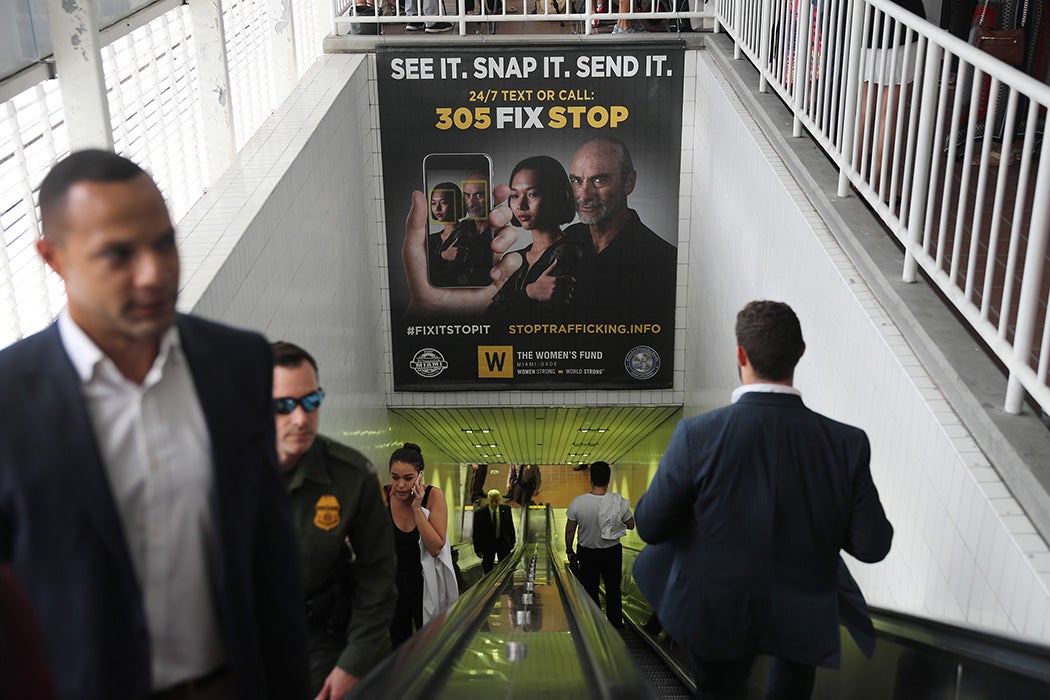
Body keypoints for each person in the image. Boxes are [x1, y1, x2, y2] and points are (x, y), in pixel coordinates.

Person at [0, 149, 310, 699]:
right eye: (117, 255)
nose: (154, 273)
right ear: (54, 258)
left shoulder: (237, 363)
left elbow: (269, 558)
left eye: (164, 243)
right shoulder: (10, 398)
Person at [633, 300, 894, 700]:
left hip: (715, 613)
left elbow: (650, 525)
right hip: (802, 616)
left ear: (741, 354)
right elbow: (872, 546)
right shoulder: (846, 444)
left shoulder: (697, 436)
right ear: (800, 354)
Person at [272, 341, 397, 699]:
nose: (301, 418)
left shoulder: (350, 476)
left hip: (321, 642)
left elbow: (378, 576)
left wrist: (352, 664)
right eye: (283, 405)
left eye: (311, 402)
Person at [565, 136, 677, 321]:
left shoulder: (665, 262)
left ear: (628, 183)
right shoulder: (565, 240)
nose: (584, 196)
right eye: (577, 181)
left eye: (599, 180)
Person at [401, 184, 522, 318]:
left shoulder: (471, 229)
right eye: (434, 203)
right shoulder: (432, 240)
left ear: (456, 203)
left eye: (444, 202)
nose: (438, 208)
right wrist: (443, 256)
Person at [490, 155, 587, 318]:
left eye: (532, 194)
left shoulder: (575, 253)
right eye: (514, 195)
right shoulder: (513, 260)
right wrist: (529, 292)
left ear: (561, 196)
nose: (521, 205)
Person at [388, 443, 457, 646]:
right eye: (395, 477)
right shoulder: (383, 496)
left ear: (420, 476)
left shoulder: (433, 497)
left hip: (426, 585)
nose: (400, 485)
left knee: (429, 646)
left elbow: (436, 547)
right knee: (398, 647)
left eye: (408, 478)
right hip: (393, 588)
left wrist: (417, 508)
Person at [565, 461, 635, 628]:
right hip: (612, 552)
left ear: (591, 479)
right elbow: (631, 524)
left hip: (587, 553)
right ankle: (615, 623)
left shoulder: (578, 503)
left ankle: (594, 624)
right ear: (608, 480)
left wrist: (569, 550)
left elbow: (570, 531)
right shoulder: (618, 502)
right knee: (613, 589)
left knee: (590, 589)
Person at [473, 489, 516, 573]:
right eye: (492, 501)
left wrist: (512, 542)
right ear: (488, 500)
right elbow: (476, 532)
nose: (494, 504)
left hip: (503, 544)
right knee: (487, 568)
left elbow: (510, 526)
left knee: (505, 569)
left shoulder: (506, 510)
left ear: (499, 500)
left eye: (496, 501)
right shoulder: (480, 513)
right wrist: (478, 549)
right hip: (487, 545)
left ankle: (505, 585)